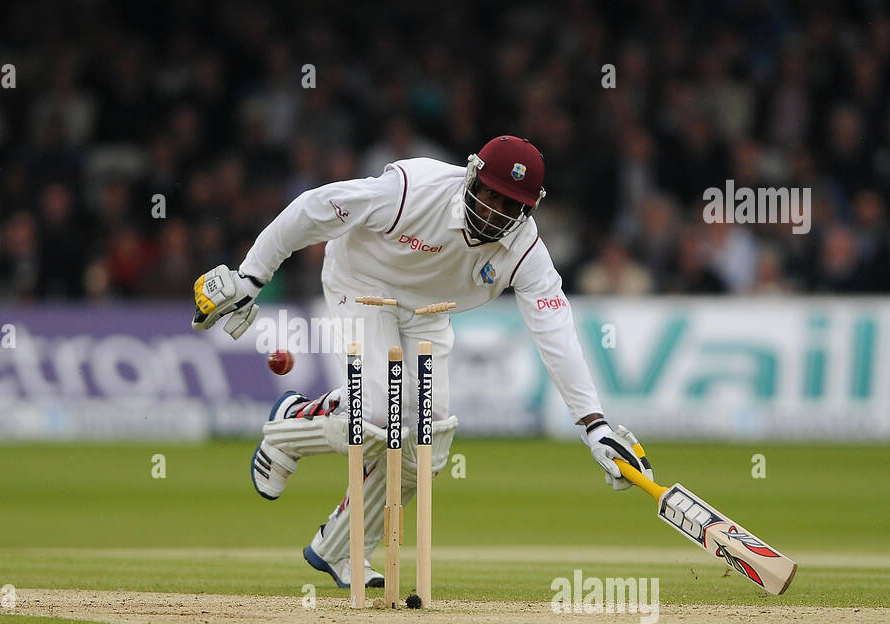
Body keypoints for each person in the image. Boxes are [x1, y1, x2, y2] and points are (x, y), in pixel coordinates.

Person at [190, 136, 652, 588]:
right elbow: (314, 206)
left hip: (429, 312)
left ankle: (342, 548)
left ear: (528, 210)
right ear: (473, 177)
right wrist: (252, 276)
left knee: (426, 447)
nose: (496, 212)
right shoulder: (413, 190)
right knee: (375, 417)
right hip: (361, 282)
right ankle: (289, 424)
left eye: (512, 205)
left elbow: (555, 330)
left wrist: (596, 426)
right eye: (491, 194)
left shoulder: (524, 251)